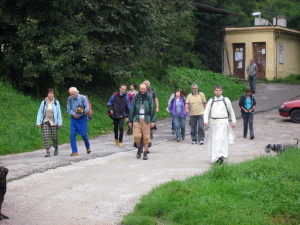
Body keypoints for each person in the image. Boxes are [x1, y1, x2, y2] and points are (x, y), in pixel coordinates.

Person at [204, 86, 236, 164]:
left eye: (219, 90)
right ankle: (216, 157)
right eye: (216, 90)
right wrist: (205, 120)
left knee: (222, 139)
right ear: (214, 92)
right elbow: (206, 111)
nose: (218, 91)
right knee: (215, 140)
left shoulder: (226, 100)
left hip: (224, 123)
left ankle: (222, 155)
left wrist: (234, 121)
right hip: (214, 123)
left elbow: (231, 111)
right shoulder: (211, 101)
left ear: (221, 91)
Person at [128, 83, 156, 160]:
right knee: (136, 136)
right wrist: (130, 120)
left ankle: (145, 152)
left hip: (146, 119)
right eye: (141, 89)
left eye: (144, 89)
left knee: (146, 137)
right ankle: (139, 148)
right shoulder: (135, 97)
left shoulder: (149, 97)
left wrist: (153, 120)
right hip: (137, 118)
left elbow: (152, 109)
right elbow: (132, 109)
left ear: (146, 89)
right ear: (139, 89)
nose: (142, 90)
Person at [36, 88, 62, 157]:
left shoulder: (56, 102)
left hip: (53, 122)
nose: (51, 95)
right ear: (47, 94)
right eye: (49, 93)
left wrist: (59, 122)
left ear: (53, 95)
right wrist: (38, 122)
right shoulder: (44, 102)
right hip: (45, 121)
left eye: (52, 93)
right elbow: (40, 112)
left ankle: (56, 147)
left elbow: (59, 113)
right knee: (46, 136)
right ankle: (48, 151)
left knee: (54, 136)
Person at [67, 87, 91, 156]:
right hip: (74, 118)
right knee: (72, 134)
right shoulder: (70, 99)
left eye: (73, 94)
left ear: (76, 92)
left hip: (82, 118)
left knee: (83, 134)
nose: (72, 95)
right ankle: (74, 151)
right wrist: (73, 114)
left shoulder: (83, 97)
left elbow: (87, 108)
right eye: (70, 94)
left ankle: (88, 146)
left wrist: (81, 113)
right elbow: (68, 109)